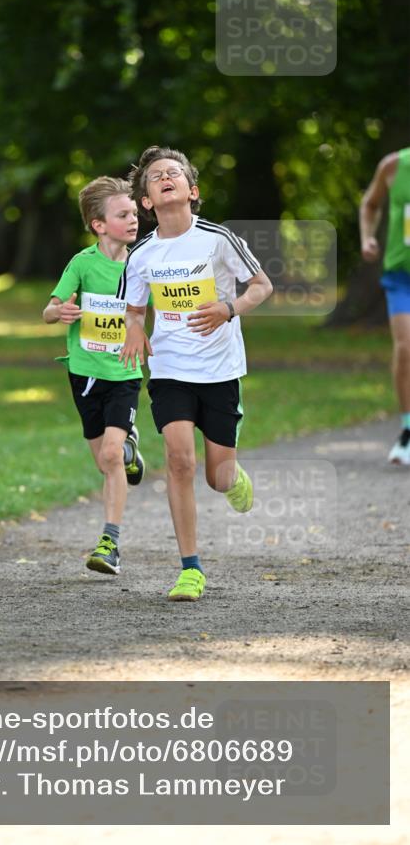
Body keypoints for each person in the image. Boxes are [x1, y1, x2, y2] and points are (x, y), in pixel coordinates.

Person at [118, 145, 273, 602]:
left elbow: (261, 286)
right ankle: (190, 568)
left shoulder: (217, 239)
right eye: (155, 177)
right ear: (147, 201)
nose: (165, 178)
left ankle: (233, 478)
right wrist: (133, 331)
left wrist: (229, 308)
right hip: (169, 369)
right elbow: (133, 308)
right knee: (180, 460)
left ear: (192, 190)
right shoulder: (142, 254)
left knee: (216, 476)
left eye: (174, 173)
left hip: (221, 369)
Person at [43, 176, 145, 576]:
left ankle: (110, 543)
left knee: (107, 455)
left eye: (135, 212)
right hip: (84, 373)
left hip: (124, 372)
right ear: (99, 225)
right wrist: (60, 313)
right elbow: (49, 309)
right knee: (106, 464)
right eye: (123, 215)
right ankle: (127, 452)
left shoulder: (143, 263)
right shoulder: (82, 264)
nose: (133, 220)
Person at [359, 148, 410, 465]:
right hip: (401, 277)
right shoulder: (394, 166)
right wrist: (367, 238)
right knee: (406, 349)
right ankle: (408, 430)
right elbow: (369, 204)